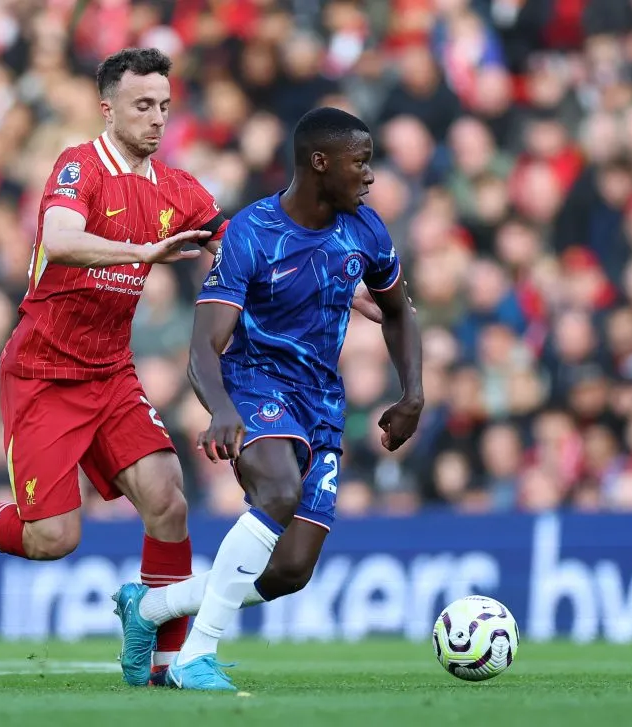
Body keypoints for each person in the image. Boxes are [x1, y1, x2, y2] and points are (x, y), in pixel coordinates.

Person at [0, 48, 225, 687]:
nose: (157, 118)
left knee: (169, 500)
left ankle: (164, 662)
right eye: (142, 105)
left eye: (163, 106)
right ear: (108, 109)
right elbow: (63, 240)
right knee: (53, 539)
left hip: (111, 371)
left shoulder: (179, 189)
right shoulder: (78, 167)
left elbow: (243, 248)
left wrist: (344, 289)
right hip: (43, 372)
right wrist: (143, 250)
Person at [113, 107, 424, 690]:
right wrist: (222, 408)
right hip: (255, 384)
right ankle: (194, 657)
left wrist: (413, 394)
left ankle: (149, 607)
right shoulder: (253, 232)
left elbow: (399, 313)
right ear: (320, 163)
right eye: (360, 162)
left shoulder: (366, 230)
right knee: (278, 492)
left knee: (289, 571)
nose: (370, 175)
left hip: (322, 402)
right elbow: (204, 344)